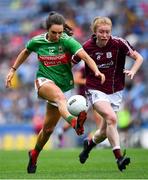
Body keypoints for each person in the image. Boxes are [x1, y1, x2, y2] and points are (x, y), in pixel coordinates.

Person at [5, 12, 105, 174]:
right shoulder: (37, 41)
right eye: (54, 33)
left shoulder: (67, 41)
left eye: (60, 32)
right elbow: (25, 51)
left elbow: (85, 57)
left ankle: (34, 154)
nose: (58, 35)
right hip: (43, 82)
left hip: (64, 86)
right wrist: (13, 70)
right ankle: (75, 123)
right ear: (47, 30)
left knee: (48, 130)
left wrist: (97, 71)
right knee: (59, 98)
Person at [72, 16, 143, 171]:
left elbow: (139, 57)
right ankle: (119, 158)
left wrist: (133, 70)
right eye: (101, 32)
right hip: (95, 89)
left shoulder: (119, 43)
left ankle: (88, 146)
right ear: (94, 32)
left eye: (107, 32)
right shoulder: (87, 47)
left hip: (116, 91)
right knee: (111, 118)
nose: (105, 35)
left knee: (104, 132)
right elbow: (71, 62)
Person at [57, 62, 102, 147]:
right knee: (79, 119)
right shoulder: (84, 66)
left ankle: (93, 140)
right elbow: (76, 79)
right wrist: (89, 82)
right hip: (83, 98)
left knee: (98, 118)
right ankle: (62, 130)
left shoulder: (97, 65)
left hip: (93, 95)